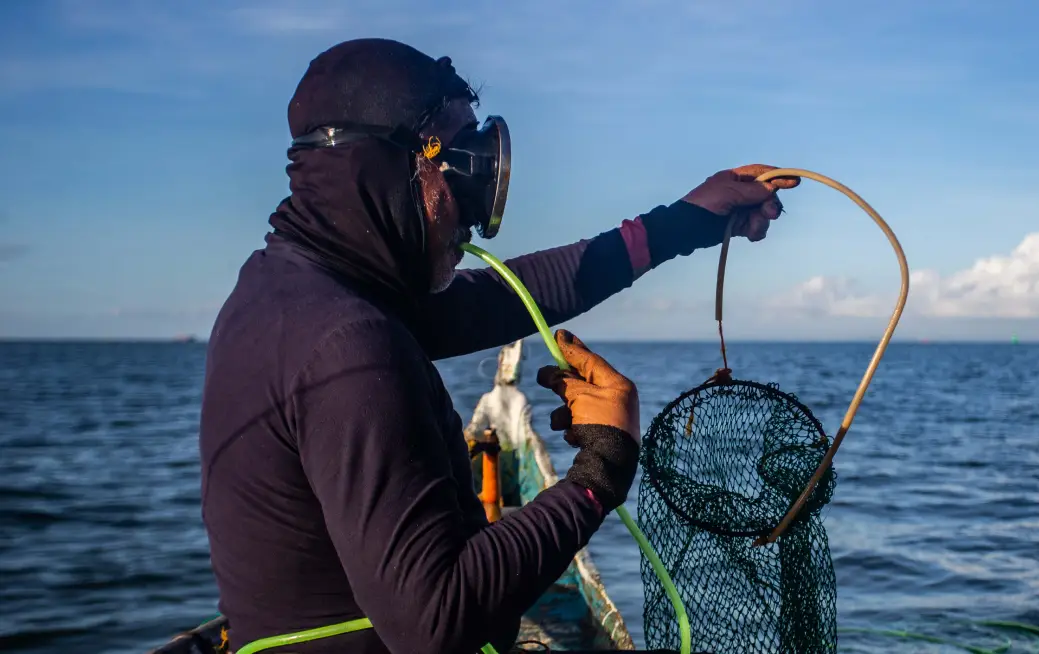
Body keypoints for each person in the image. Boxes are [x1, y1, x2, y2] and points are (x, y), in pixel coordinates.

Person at [197, 38, 798, 654]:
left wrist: (689, 220)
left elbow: (520, 295)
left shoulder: (282, 292)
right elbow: (438, 623)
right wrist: (600, 472)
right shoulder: (349, 346)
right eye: (464, 171)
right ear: (384, 169)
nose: (478, 217)